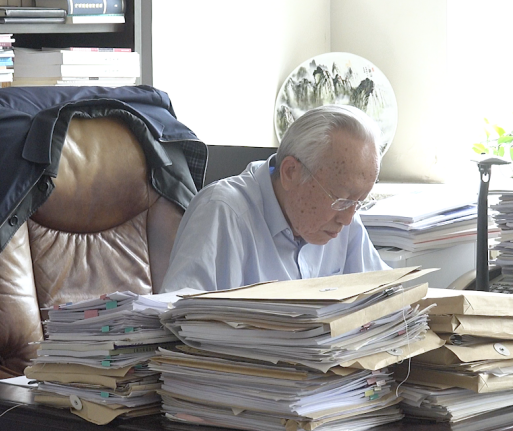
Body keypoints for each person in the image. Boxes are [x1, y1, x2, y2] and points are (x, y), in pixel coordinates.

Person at [162, 104, 389, 292]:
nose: (348, 218)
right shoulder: (221, 212)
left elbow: (386, 296)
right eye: (341, 199)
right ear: (290, 172)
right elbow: (178, 318)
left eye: (359, 202)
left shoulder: (344, 217)